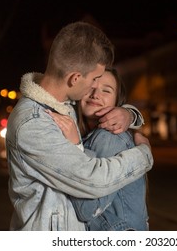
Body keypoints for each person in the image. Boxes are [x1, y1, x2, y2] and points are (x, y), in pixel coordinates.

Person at [5, 21, 153, 231]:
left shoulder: (63, 105)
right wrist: (144, 154)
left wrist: (129, 114)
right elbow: (93, 181)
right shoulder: (35, 124)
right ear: (75, 78)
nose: (94, 88)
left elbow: (102, 105)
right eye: (94, 79)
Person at [48, 68, 149, 231]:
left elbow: (86, 209)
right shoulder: (85, 133)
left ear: (117, 100)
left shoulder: (110, 136)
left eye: (106, 90)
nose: (96, 95)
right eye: (90, 88)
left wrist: (75, 148)